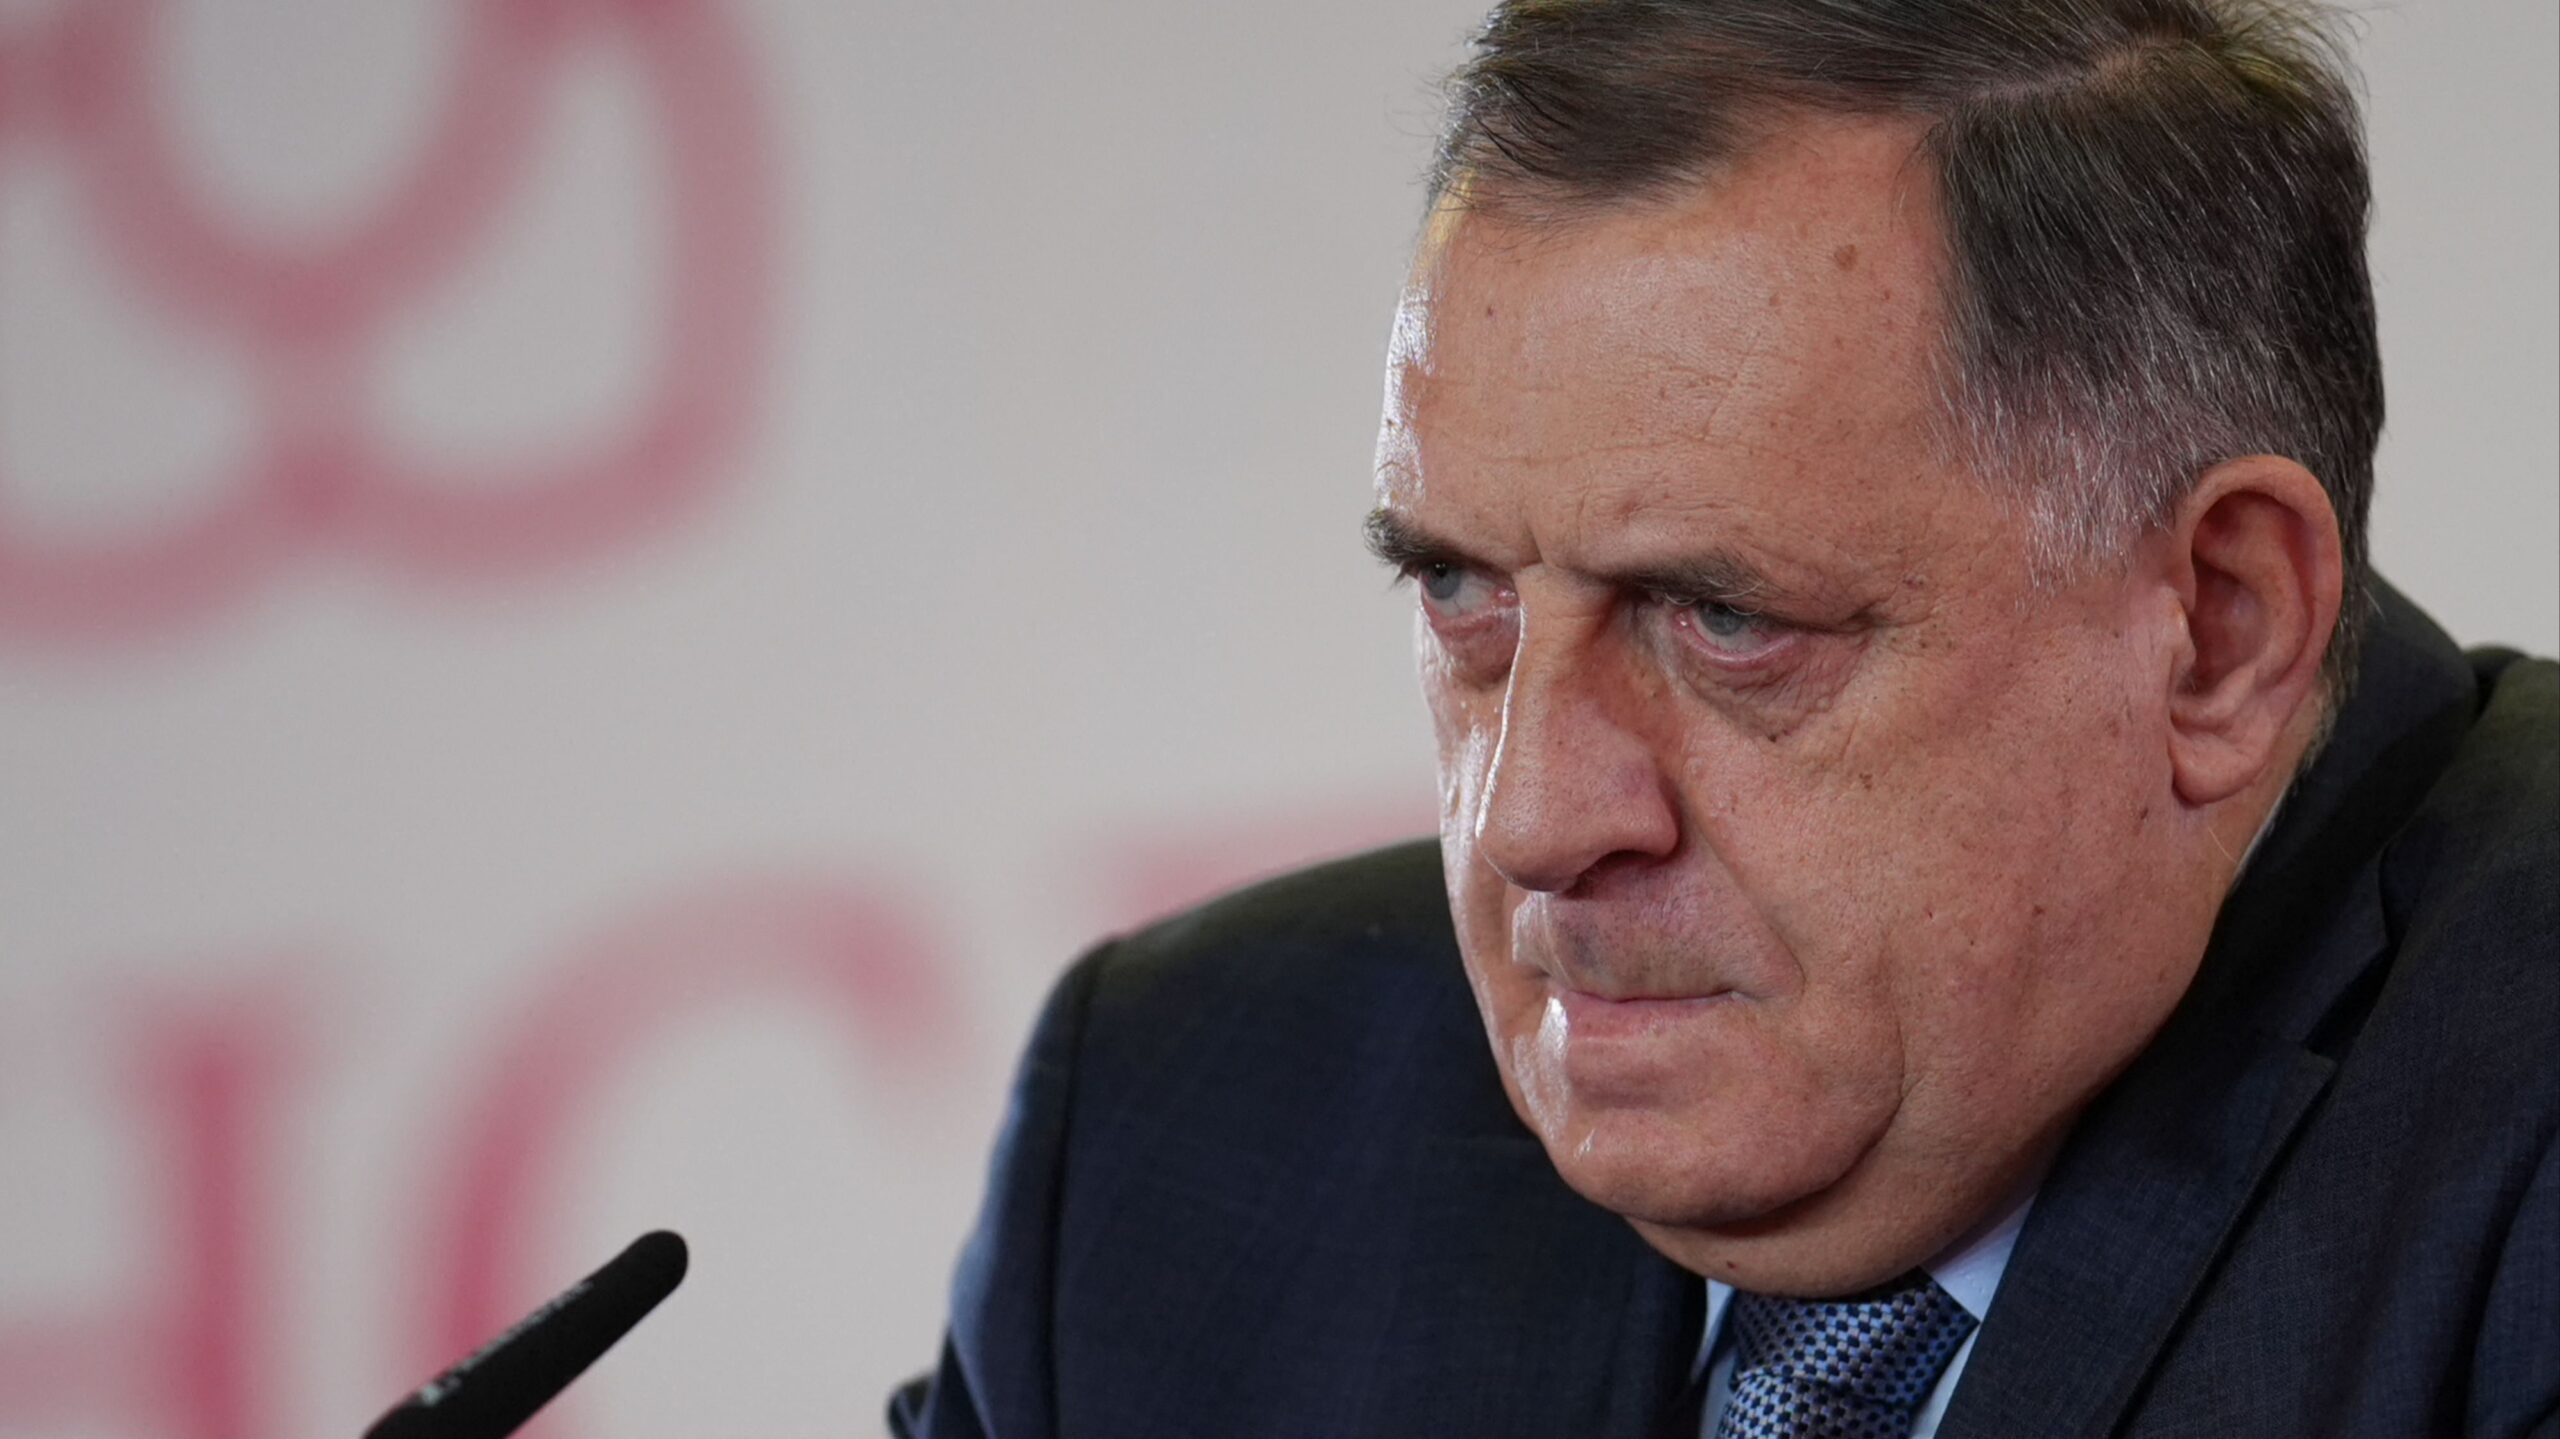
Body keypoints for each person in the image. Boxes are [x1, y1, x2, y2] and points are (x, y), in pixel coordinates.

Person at [891, 1, 2557, 1434]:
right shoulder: (1177, 1143)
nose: (1530, 820)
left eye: (1726, 620)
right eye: (1462, 591)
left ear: (2218, 635)